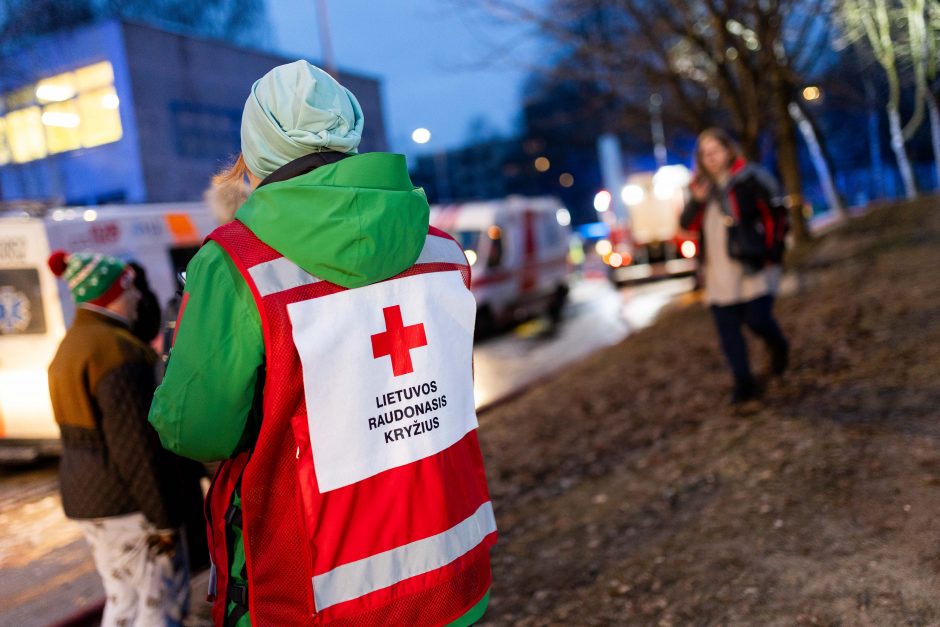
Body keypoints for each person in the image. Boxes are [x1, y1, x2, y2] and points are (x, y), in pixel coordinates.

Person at [149, 61, 496, 626]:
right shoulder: (441, 251)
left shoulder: (236, 266)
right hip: (450, 573)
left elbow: (193, 427)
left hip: (316, 594)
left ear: (255, 149)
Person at [46, 251, 191, 626]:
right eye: (129, 290)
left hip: (90, 500)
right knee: (159, 603)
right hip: (128, 505)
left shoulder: (72, 346)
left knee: (123, 602)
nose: (139, 298)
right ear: (110, 294)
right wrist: (164, 519)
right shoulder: (116, 351)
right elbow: (137, 448)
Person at [679, 128, 790, 403]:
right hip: (718, 274)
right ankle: (743, 383)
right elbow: (686, 225)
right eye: (705, 154)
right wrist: (697, 200)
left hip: (752, 266)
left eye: (715, 151)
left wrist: (773, 251)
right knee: (728, 333)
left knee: (757, 319)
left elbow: (775, 214)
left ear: (729, 150)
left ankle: (779, 347)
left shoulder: (750, 178)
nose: (711, 158)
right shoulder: (701, 189)